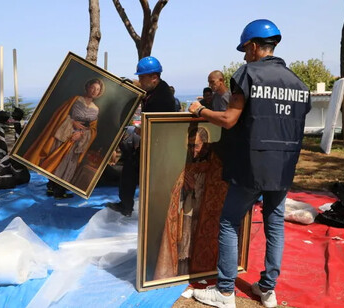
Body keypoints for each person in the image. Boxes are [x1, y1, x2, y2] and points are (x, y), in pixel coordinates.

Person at [189, 19, 311, 308]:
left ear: (254, 46)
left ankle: (225, 291)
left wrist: (201, 109)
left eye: (245, 49)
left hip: (252, 165)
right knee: (275, 224)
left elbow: (230, 119)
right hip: (284, 167)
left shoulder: (248, 74)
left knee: (230, 223)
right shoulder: (298, 83)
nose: (244, 56)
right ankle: (267, 290)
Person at [153, 125, 228, 280]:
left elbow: (216, 191)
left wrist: (196, 188)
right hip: (187, 210)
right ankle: (183, 272)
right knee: (185, 243)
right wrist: (181, 187)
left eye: (196, 146)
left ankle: (201, 272)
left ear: (206, 144)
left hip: (203, 214)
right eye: (190, 145)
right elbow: (171, 189)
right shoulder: (184, 163)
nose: (193, 150)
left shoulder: (215, 165)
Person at [107, 56, 176, 217]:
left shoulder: (161, 98)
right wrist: (129, 83)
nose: (139, 80)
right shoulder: (157, 87)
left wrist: (138, 131)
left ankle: (149, 212)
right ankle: (126, 205)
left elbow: (155, 127)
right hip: (150, 143)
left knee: (138, 174)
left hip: (157, 146)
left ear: (154, 77)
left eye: (142, 77)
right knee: (130, 171)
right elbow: (140, 85)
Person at [23, 78, 104, 199]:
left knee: (69, 163)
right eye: (92, 87)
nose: (94, 91)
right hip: (65, 134)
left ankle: (59, 190)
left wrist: (81, 134)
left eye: (97, 89)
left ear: (99, 92)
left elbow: (92, 129)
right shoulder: (75, 100)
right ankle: (52, 188)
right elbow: (60, 115)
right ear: (87, 87)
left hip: (79, 139)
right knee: (57, 161)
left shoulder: (96, 108)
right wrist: (72, 122)